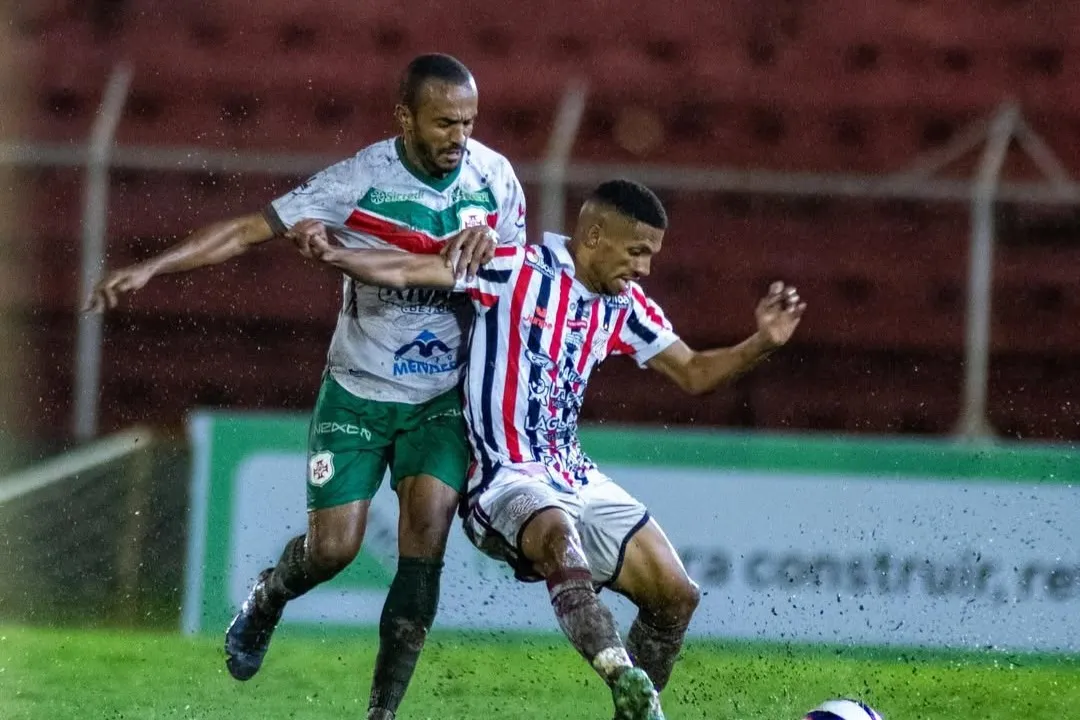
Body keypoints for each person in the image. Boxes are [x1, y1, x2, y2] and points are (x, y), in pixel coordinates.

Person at [86, 54, 527, 720]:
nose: (459, 137)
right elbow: (247, 230)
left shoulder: (495, 179)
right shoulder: (359, 179)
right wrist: (152, 268)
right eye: (444, 123)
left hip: (442, 398)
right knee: (334, 550)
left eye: (468, 122)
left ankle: (382, 711)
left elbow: (516, 275)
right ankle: (268, 597)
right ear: (405, 118)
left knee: (425, 540)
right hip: (357, 390)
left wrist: (489, 244)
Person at [288, 179, 806, 720]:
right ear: (595, 236)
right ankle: (621, 674)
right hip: (503, 478)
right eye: (637, 252)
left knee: (677, 595)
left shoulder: (625, 306)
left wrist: (762, 343)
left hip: (574, 474)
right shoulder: (515, 270)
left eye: (651, 255)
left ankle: (635, 709)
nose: (645, 268)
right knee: (560, 538)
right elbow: (408, 270)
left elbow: (695, 372)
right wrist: (334, 254)